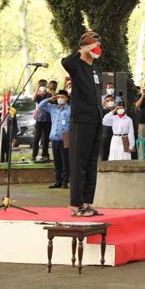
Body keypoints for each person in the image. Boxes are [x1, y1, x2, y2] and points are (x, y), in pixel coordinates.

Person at [61, 30, 106, 217]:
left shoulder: (95, 69)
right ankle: (76, 205)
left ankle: (87, 203)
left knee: (91, 163)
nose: (97, 48)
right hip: (81, 120)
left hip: (96, 119)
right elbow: (65, 62)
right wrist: (83, 50)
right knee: (78, 162)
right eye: (94, 45)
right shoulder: (76, 65)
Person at [37, 90, 72, 189]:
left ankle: (65, 181)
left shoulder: (70, 110)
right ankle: (57, 181)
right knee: (57, 161)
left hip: (65, 137)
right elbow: (40, 106)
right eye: (58, 97)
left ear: (67, 98)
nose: (60, 99)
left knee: (65, 160)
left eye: (62, 97)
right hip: (54, 137)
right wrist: (50, 99)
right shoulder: (53, 108)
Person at [32, 79, 52, 162]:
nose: (43, 86)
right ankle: (34, 155)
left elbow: (54, 98)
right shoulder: (38, 95)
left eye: (44, 84)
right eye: (41, 85)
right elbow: (33, 100)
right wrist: (37, 88)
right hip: (39, 119)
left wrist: (48, 89)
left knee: (46, 139)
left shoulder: (49, 94)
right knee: (36, 138)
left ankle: (45, 155)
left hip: (48, 118)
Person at [99, 94, 117, 161]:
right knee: (104, 155)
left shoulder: (118, 111)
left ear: (114, 102)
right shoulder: (102, 111)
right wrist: (103, 106)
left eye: (111, 100)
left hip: (115, 135)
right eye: (107, 101)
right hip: (105, 135)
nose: (110, 102)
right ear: (104, 103)